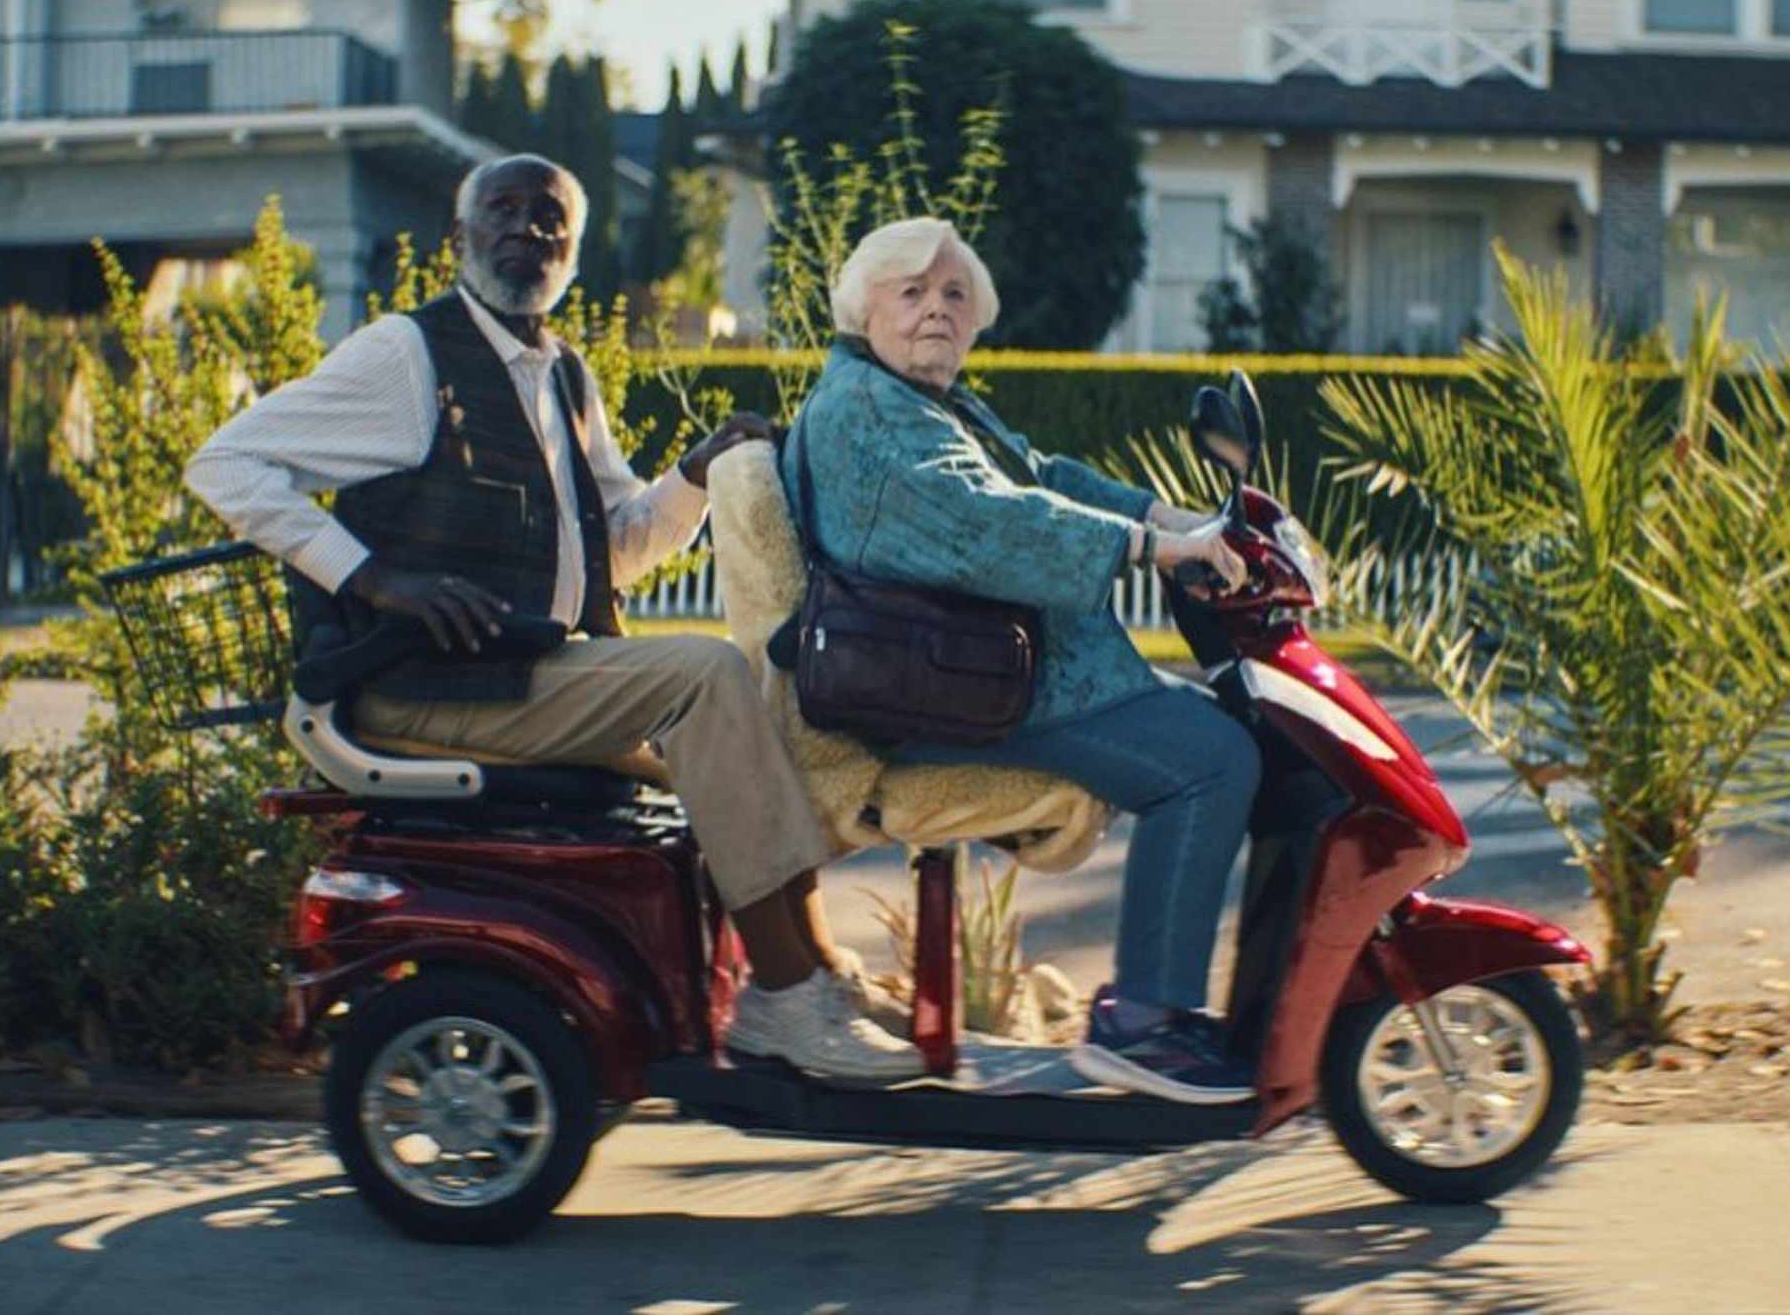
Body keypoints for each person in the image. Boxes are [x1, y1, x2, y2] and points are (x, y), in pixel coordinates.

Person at [186, 153, 919, 1081]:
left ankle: (812, 975)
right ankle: (783, 1001)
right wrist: (373, 579)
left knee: (760, 719)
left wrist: (693, 475)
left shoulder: (562, 373)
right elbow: (225, 464)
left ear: (571, 251)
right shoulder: (405, 357)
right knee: (704, 678)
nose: (528, 230)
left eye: (550, 218)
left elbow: (612, 548)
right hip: (425, 685)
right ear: (459, 238)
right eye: (504, 210)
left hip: (518, 673)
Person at [783, 217, 1261, 1105]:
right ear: (865, 309)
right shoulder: (867, 412)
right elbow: (984, 523)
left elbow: (1040, 476)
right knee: (1215, 759)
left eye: (953, 295)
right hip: (940, 693)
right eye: (911, 291)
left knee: (1231, 726)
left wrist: (1173, 521)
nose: (934, 310)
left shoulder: (924, 401)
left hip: (982, 673)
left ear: (974, 321)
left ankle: (1175, 1009)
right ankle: (1147, 1025)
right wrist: (1148, 551)